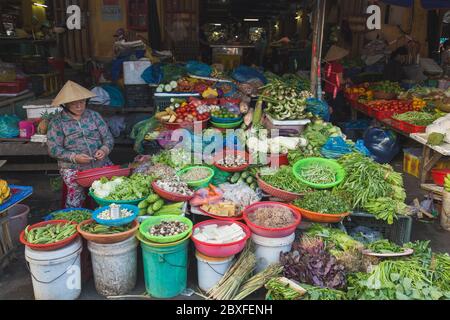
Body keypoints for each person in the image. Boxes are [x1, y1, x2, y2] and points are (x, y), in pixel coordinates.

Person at [47, 81, 114, 208]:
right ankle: (74, 220)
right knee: (75, 196)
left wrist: (104, 150)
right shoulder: (57, 122)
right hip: (72, 167)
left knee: (111, 190)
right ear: (65, 105)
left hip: (100, 163)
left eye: (82, 102)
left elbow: (108, 138)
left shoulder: (94, 116)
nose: (79, 106)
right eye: (74, 103)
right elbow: (53, 149)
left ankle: (106, 218)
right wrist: (74, 157)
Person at [323, 45, 350, 124]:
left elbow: (326, 78)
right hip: (336, 92)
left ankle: (329, 123)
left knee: (329, 110)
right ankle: (336, 125)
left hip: (327, 90)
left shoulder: (327, 65)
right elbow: (341, 81)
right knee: (336, 111)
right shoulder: (338, 66)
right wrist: (347, 80)